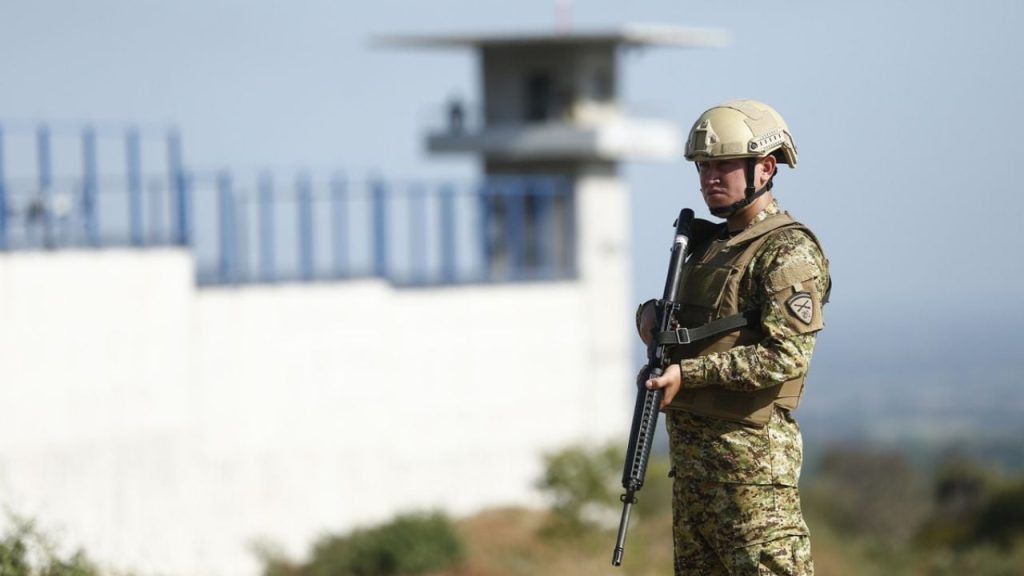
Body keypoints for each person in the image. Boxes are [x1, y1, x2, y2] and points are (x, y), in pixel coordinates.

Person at [638, 99, 830, 575]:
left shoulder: (787, 251)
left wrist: (688, 373)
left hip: (752, 480)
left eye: (723, 165)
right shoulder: (707, 247)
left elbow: (786, 357)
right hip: (696, 478)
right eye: (703, 167)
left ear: (765, 169)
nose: (710, 178)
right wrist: (649, 319)